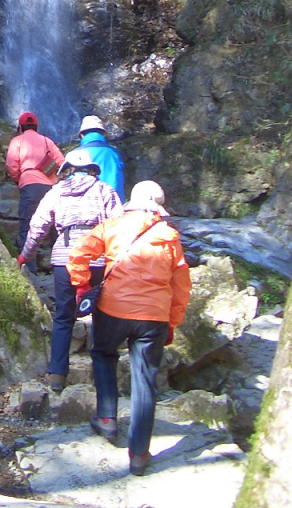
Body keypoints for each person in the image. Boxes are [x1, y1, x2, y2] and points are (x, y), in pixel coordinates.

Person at [67, 180, 192, 477]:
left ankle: (107, 418)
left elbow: (79, 253)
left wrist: (82, 284)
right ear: (157, 208)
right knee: (145, 380)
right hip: (154, 315)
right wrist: (172, 321)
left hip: (113, 308)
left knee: (103, 354)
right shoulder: (170, 237)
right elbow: (180, 286)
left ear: (131, 203)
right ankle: (138, 453)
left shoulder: (112, 226)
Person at [17, 148, 122, 393]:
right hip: (97, 257)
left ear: (68, 169)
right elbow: (117, 225)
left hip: (64, 257)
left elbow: (38, 226)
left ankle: (57, 374)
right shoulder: (105, 190)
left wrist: (25, 255)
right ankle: (101, 373)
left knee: (64, 316)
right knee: (101, 316)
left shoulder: (57, 192)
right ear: (92, 170)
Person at [5, 112, 65, 273]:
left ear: (20, 127)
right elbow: (62, 163)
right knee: (54, 226)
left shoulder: (17, 141)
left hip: (28, 185)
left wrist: (20, 179)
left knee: (26, 226)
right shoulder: (47, 141)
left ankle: (28, 267)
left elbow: (12, 165)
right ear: (36, 126)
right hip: (50, 187)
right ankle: (60, 264)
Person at [77, 115, 125, 201]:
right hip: (114, 204)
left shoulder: (74, 154)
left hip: (86, 207)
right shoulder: (115, 152)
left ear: (81, 135)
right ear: (103, 134)